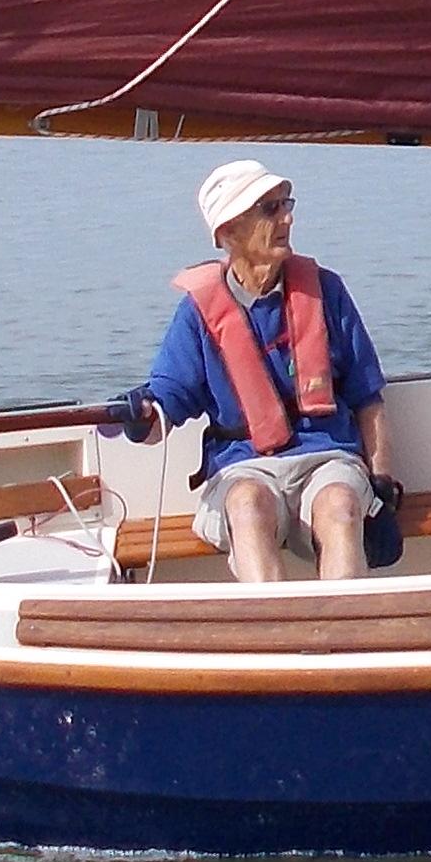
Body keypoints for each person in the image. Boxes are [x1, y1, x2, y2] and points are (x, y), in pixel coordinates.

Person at [122, 159, 391, 582]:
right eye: (269, 209)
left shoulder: (327, 292)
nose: (287, 218)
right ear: (228, 233)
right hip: (243, 466)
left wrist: (383, 483)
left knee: (340, 507)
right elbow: (163, 407)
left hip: (327, 458)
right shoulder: (198, 314)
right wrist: (139, 418)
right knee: (247, 506)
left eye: (286, 204)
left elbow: (367, 397)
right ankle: (277, 635)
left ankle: (344, 633)